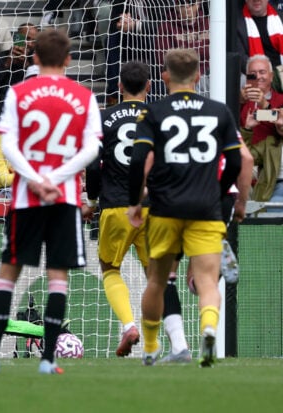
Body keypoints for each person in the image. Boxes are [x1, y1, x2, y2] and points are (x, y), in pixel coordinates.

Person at [0, 29, 101, 375]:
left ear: (35, 58)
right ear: (69, 59)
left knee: (7, 275)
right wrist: (56, 179)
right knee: (57, 277)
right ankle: (48, 361)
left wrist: (35, 179)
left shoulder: (19, 93)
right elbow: (92, 149)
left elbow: (8, 145)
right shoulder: (84, 96)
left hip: (26, 198)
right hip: (64, 198)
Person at [127, 48, 243, 367]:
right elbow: (236, 161)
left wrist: (135, 202)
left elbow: (138, 160)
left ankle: (151, 347)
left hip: (164, 208)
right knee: (207, 281)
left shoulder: (154, 112)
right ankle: (208, 329)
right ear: (198, 76)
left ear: (164, 76)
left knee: (158, 281)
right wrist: (219, 192)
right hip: (206, 209)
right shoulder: (219, 111)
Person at [84, 61, 190, 359]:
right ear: (149, 86)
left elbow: (93, 166)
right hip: (154, 208)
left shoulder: (103, 117)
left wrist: (92, 201)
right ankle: (176, 343)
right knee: (159, 278)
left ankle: (129, 325)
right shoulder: (161, 117)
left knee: (110, 269)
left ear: (119, 86)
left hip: (116, 205)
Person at [239, 55, 283, 144]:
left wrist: (265, 105)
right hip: (245, 149)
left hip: (271, 151)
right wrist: (239, 102)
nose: (258, 76)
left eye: (262, 72)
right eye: (253, 73)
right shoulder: (240, 100)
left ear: (271, 76)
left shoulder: (281, 100)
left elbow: (280, 124)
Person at [237, 0, 283, 70]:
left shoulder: (280, 18)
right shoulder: (237, 24)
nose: (256, 0)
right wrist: (264, 73)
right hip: (254, 73)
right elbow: (241, 59)